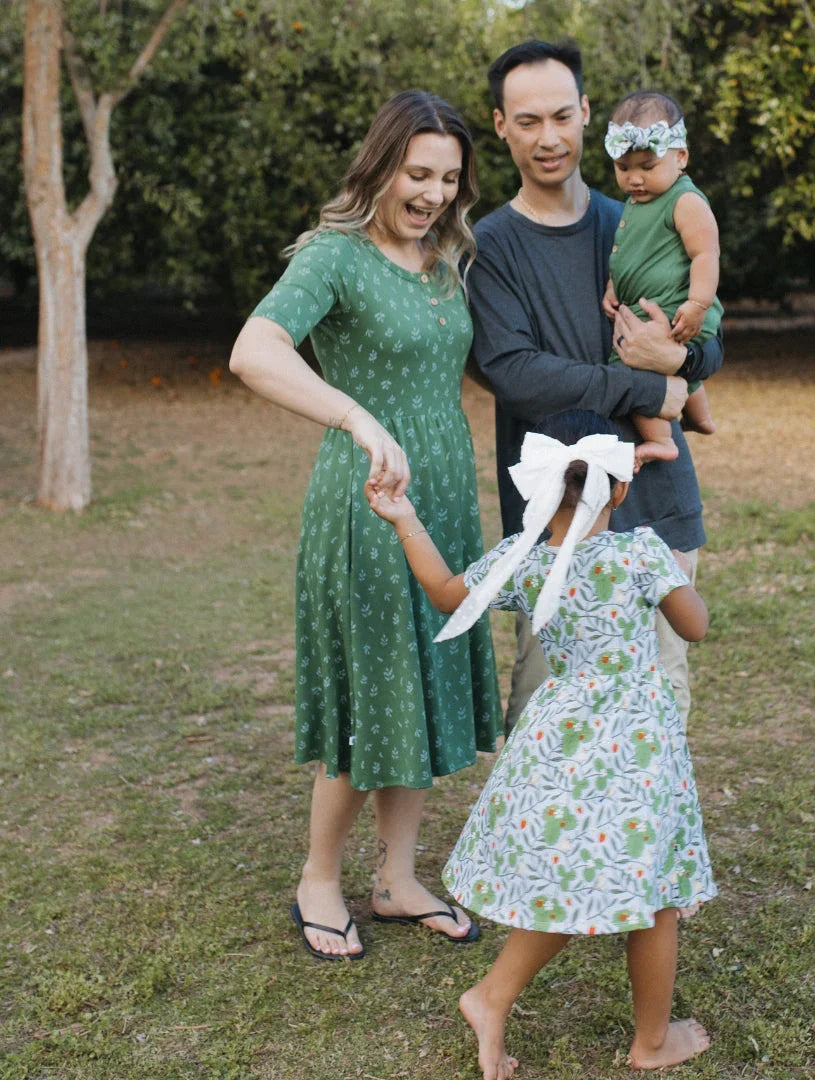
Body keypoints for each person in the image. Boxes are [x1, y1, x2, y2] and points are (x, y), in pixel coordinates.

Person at [229, 90, 501, 961]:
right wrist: (352, 415)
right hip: (370, 507)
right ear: (381, 165)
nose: (432, 193)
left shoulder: (449, 258)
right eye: (418, 173)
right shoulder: (334, 257)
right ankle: (318, 876)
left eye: (449, 178)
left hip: (446, 502)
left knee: (420, 679)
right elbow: (254, 351)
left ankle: (397, 877)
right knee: (370, 682)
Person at [367, 410, 716, 1078]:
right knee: (657, 893)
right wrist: (668, 561)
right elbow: (693, 627)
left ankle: (491, 999)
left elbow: (445, 594)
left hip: (562, 740)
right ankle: (649, 1042)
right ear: (618, 490)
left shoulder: (523, 559)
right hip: (636, 746)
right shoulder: (640, 552)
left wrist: (404, 517)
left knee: (573, 879)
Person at [468, 39, 723, 732]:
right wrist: (644, 389)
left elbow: (709, 344)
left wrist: (679, 365)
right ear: (500, 125)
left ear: (586, 113)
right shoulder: (488, 249)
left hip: (659, 510)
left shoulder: (644, 216)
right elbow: (515, 373)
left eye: (560, 116)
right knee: (546, 720)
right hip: (559, 519)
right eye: (527, 122)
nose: (548, 138)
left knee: (657, 716)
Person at [602, 90, 722, 469]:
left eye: (647, 167)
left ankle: (660, 440)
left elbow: (706, 253)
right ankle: (701, 419)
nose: (635, 178)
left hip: (678, 308)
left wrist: (698, 304)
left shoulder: (684, 201)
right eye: (624, 168)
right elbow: (629, 252)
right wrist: (613, 286)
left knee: (628, 366)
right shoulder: (638, 204)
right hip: (654, 307)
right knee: (663, 362)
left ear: (680, 157)